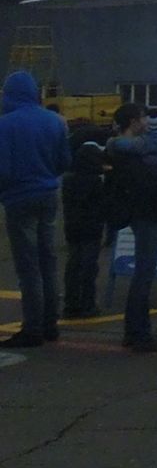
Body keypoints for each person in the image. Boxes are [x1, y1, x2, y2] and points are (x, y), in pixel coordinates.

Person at [106, 104, 157, 353]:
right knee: (144, 274)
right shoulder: (132, 153)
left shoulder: (123, 148)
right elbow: (146, 186)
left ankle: (134, 331)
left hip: (137, 212)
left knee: (142, 273)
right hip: (146, 213)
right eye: (142, 118)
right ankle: (140, 333)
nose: (146, 122)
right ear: (133, 121)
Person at [0, 70, 69, 349]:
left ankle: (33, 328)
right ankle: (51, 324)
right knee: (48, 260)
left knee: (28, 267)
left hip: (18, 197)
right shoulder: (54, 122)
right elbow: (64, 161)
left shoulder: (4, 125)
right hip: (48, 192)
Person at [60, 130, 110, 319]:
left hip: (72, 227)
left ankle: (71, 304)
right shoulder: (97, 182)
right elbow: (104, 205)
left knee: (73, 264)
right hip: (92, 228)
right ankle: (87, 304)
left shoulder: (68, 180)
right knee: (89, 266)